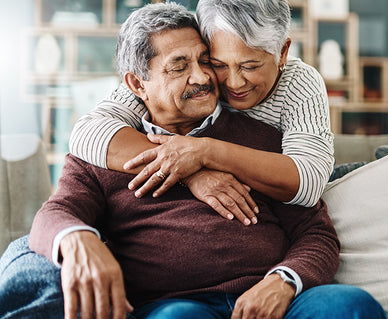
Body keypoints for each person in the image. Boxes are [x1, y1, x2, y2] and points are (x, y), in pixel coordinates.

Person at [0, 4, 387, 319]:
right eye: (179, 66)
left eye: (205, 60)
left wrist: (284, 281)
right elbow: (53, 215)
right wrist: (80, 240)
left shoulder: (261, 140)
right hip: (175, 304)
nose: (205, 77)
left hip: (273, 299)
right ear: (136, 84)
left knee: (352, 307)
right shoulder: (103, 151)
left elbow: (315, 231)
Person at [69, 0, 334, 225]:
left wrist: (205, 152)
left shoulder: (298, 82)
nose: (233, 83)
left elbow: (309, 183)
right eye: (217, 63)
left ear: (282, 53)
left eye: (250, 66)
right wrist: (190, 171)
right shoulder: (180, 81)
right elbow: (87, 133)